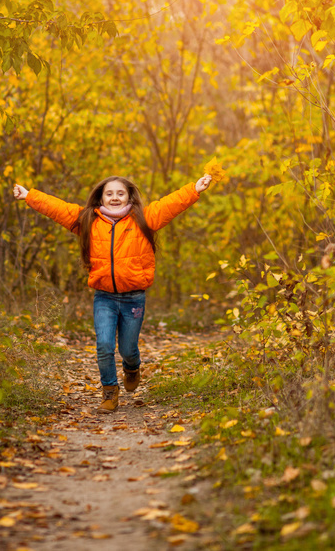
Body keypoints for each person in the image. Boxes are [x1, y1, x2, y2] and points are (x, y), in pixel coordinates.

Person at [12, 174, 212, 413]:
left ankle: (132, 367)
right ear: (101, 197)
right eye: (109, 194)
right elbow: (58, 209)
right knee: (104, 345)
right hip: (104, 297)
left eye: (120, 193)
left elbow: (170, 204)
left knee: (128, 348)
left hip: (134, 297)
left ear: (129, 196)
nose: (115, 198)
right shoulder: (88, 220)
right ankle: (109, 392)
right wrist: (29, 195)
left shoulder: (144, 218)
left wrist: (194, 189)